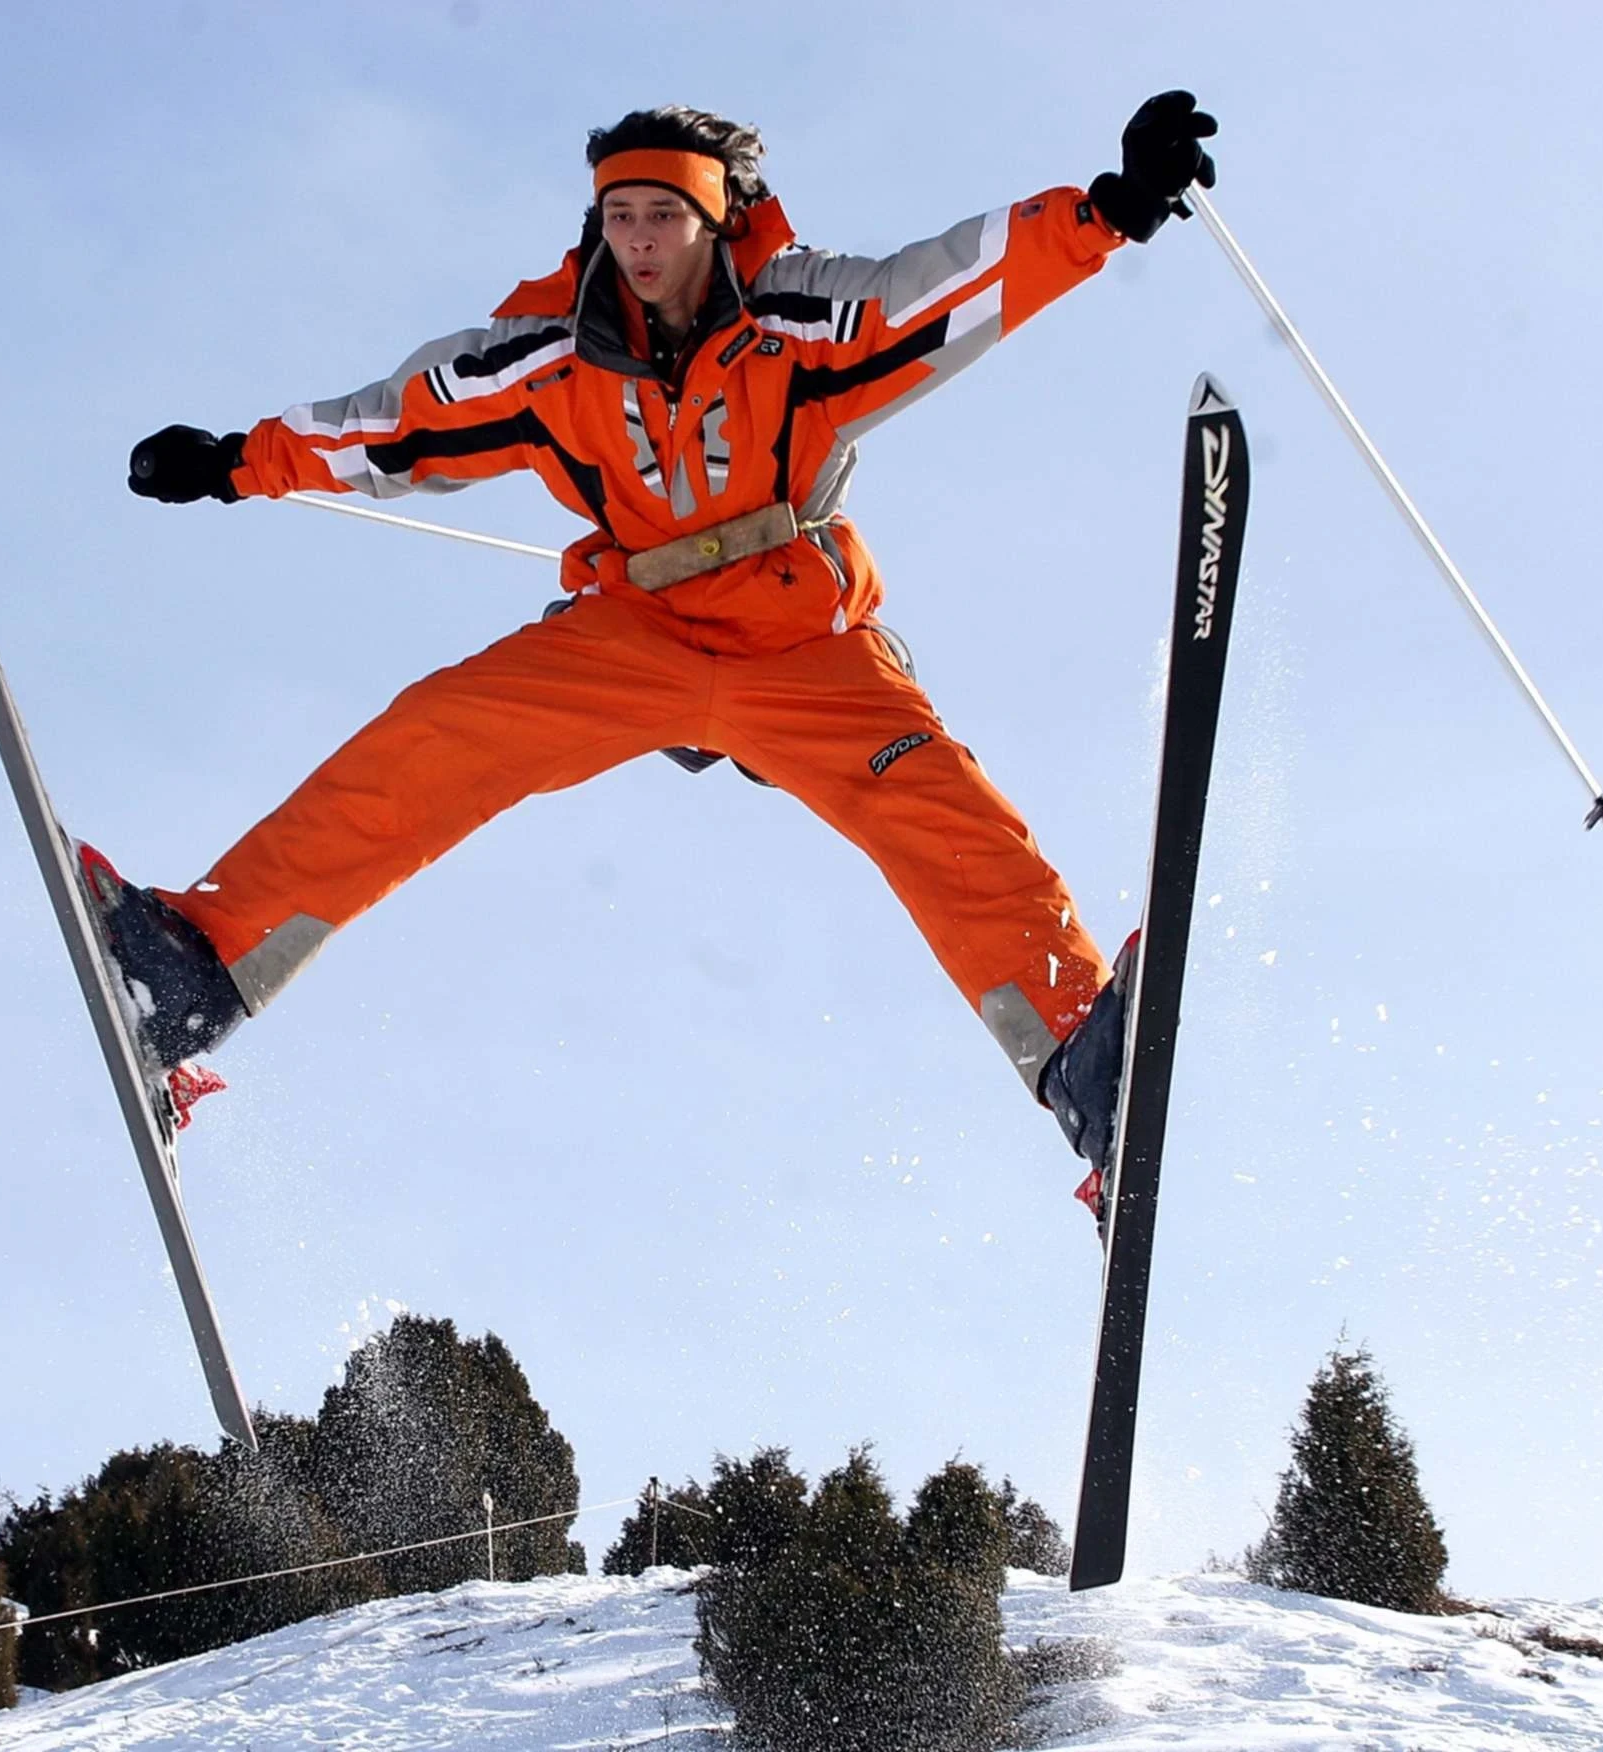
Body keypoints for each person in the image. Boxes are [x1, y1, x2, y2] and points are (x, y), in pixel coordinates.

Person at [92, 94, 1219, 1237]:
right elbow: (396, 425)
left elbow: (945, 289)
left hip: (802, 641)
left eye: (664, 215)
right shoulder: (550, 356)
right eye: (620, 214)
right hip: (635, 633)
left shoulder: (797, 319)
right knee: (434, 739)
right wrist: (237, 464)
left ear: (715, 218)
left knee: (941, 811)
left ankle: (1082, 1058)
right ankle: (194, 974)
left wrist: (1108, 211)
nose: (639, 240)